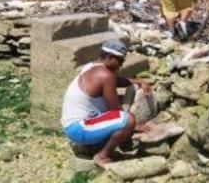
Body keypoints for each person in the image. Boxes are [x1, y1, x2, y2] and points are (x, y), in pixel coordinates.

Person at [61, 39, 152, 168]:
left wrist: (137, 81)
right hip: (80, 129)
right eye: (120, 60)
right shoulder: (105, 75)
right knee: (128, 120)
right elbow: (115, 110)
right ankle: (102, 156)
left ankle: (100, 144)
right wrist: (134, 126)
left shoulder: (92, 67)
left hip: (71, 126)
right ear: (109, 57)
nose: (121, 65)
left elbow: (116, 81)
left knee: (124, 118)